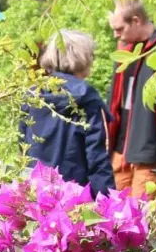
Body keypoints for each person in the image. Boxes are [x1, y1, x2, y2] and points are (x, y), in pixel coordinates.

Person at [106, 0, 156, 197]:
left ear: (136, 20)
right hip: (121, 152)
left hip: (148, 154)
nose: (116, 34)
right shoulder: (127, 51)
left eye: (119, 29)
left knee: (143, 219)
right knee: (113, 217)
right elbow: (116, 103)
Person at [21, 30, 114, 196]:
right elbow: (97, 157)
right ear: (84, 58)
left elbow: (23, 146)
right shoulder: (87, 98)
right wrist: (108, 203)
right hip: (75, 195)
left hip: (37, 193)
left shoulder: (32, 95)